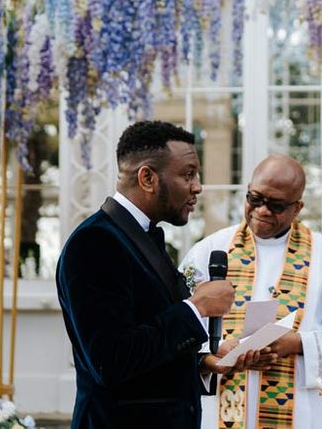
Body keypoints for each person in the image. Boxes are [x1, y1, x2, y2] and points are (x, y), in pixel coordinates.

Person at [56, 120, 235, 429]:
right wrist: (197, 308)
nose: (197, 186)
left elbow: (148, 354)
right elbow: (110, 362)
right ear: (148, 178)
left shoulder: (143, 237)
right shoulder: (95, 243)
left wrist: (203, 361)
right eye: (188, 174)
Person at [180, 154, 322, 429]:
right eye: (255, 199)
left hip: (300, 412)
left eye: (276, 205)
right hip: (218, 409)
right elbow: (178, 329)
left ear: (297, 207)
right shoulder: (210, 250)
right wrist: (215, 353)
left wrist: (296, 343)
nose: (262, 210)